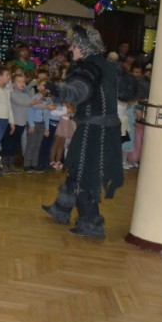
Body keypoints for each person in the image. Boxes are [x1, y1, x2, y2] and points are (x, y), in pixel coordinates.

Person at [41, 26, 123, 239]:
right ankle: (60, 210)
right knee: (77, 167)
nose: (71, 48)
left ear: (83, 47)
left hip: (94, 130)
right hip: (107, 129)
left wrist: (58, 90)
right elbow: (128, 89)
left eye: (74, 45)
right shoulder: (108, 65)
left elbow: (79, 90)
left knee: (84, 174)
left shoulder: (88, 67)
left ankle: (90, 225)